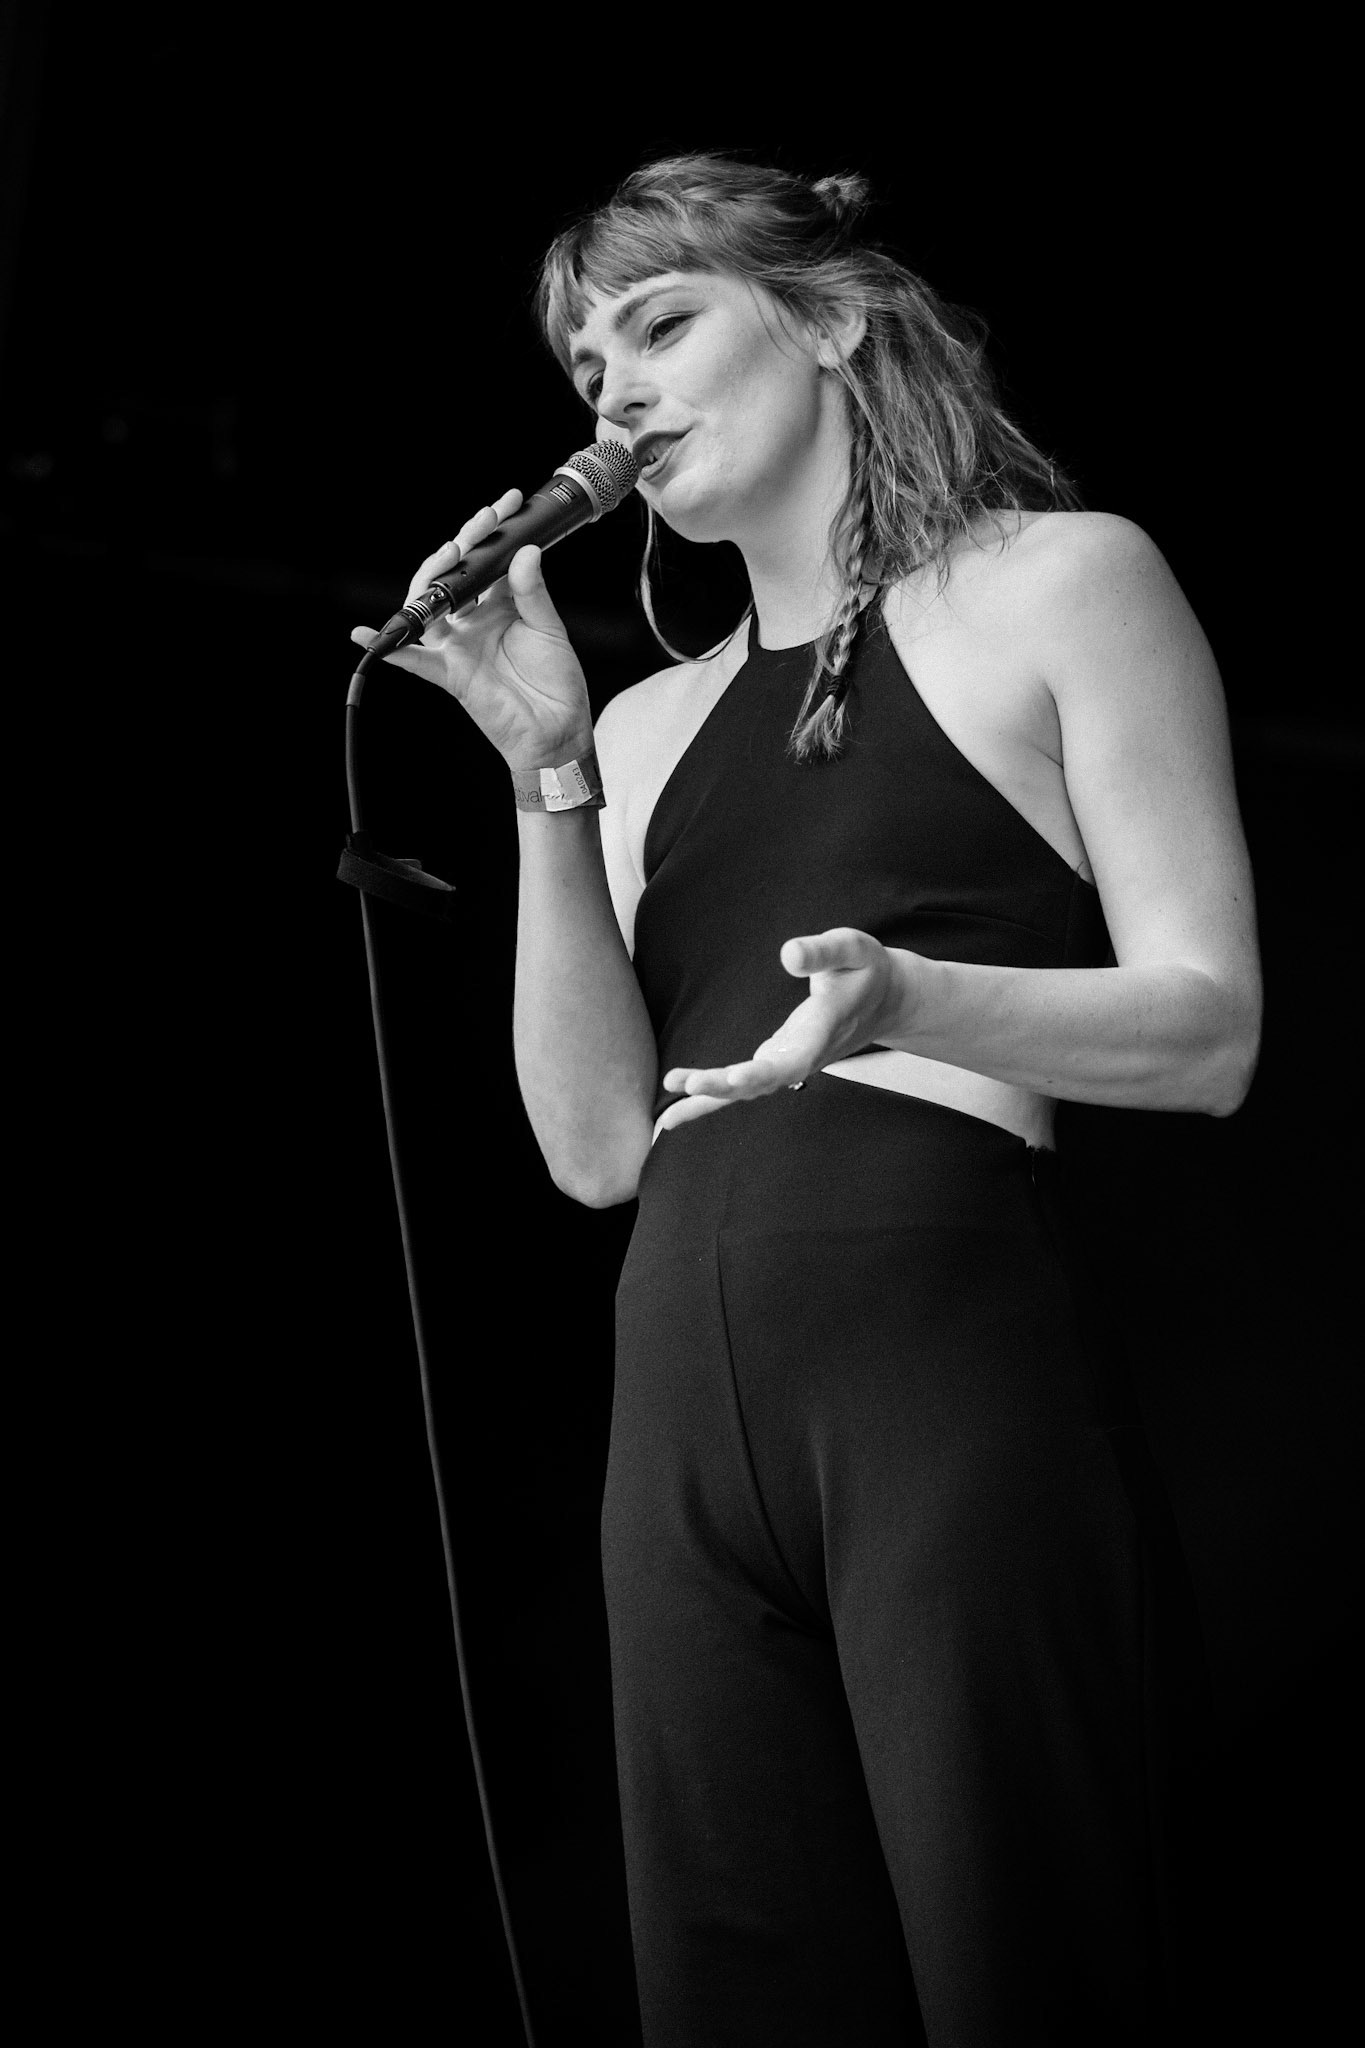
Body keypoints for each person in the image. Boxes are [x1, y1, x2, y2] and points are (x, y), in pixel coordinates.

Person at [353, 154, 1262, 2048]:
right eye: (586, 363)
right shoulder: (638, 724)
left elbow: (1207, 1032)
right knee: (731, 1983)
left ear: (835, 317)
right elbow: (595, 1149)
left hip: (936, 1347)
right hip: (679, 1392)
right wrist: (542, 769)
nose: (611, 392)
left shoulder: (1058, 581)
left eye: (663, 324)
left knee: (1024, 1958)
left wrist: (908, 996)